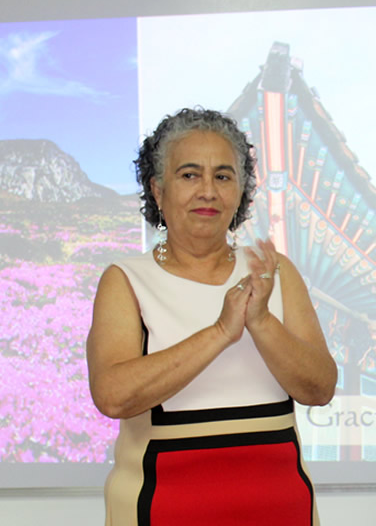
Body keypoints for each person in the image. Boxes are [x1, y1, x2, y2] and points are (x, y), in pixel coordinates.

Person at [87, 108, 337, 525]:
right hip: (160, 508)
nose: (208, 191)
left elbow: (320, 387)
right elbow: (113, 395)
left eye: (223, 176)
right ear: (157, 188)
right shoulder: (126, 280)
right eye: (189, 175)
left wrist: (261, 322)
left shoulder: (274, 272)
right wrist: (221, 332)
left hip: (280, 507)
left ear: (241, 191)